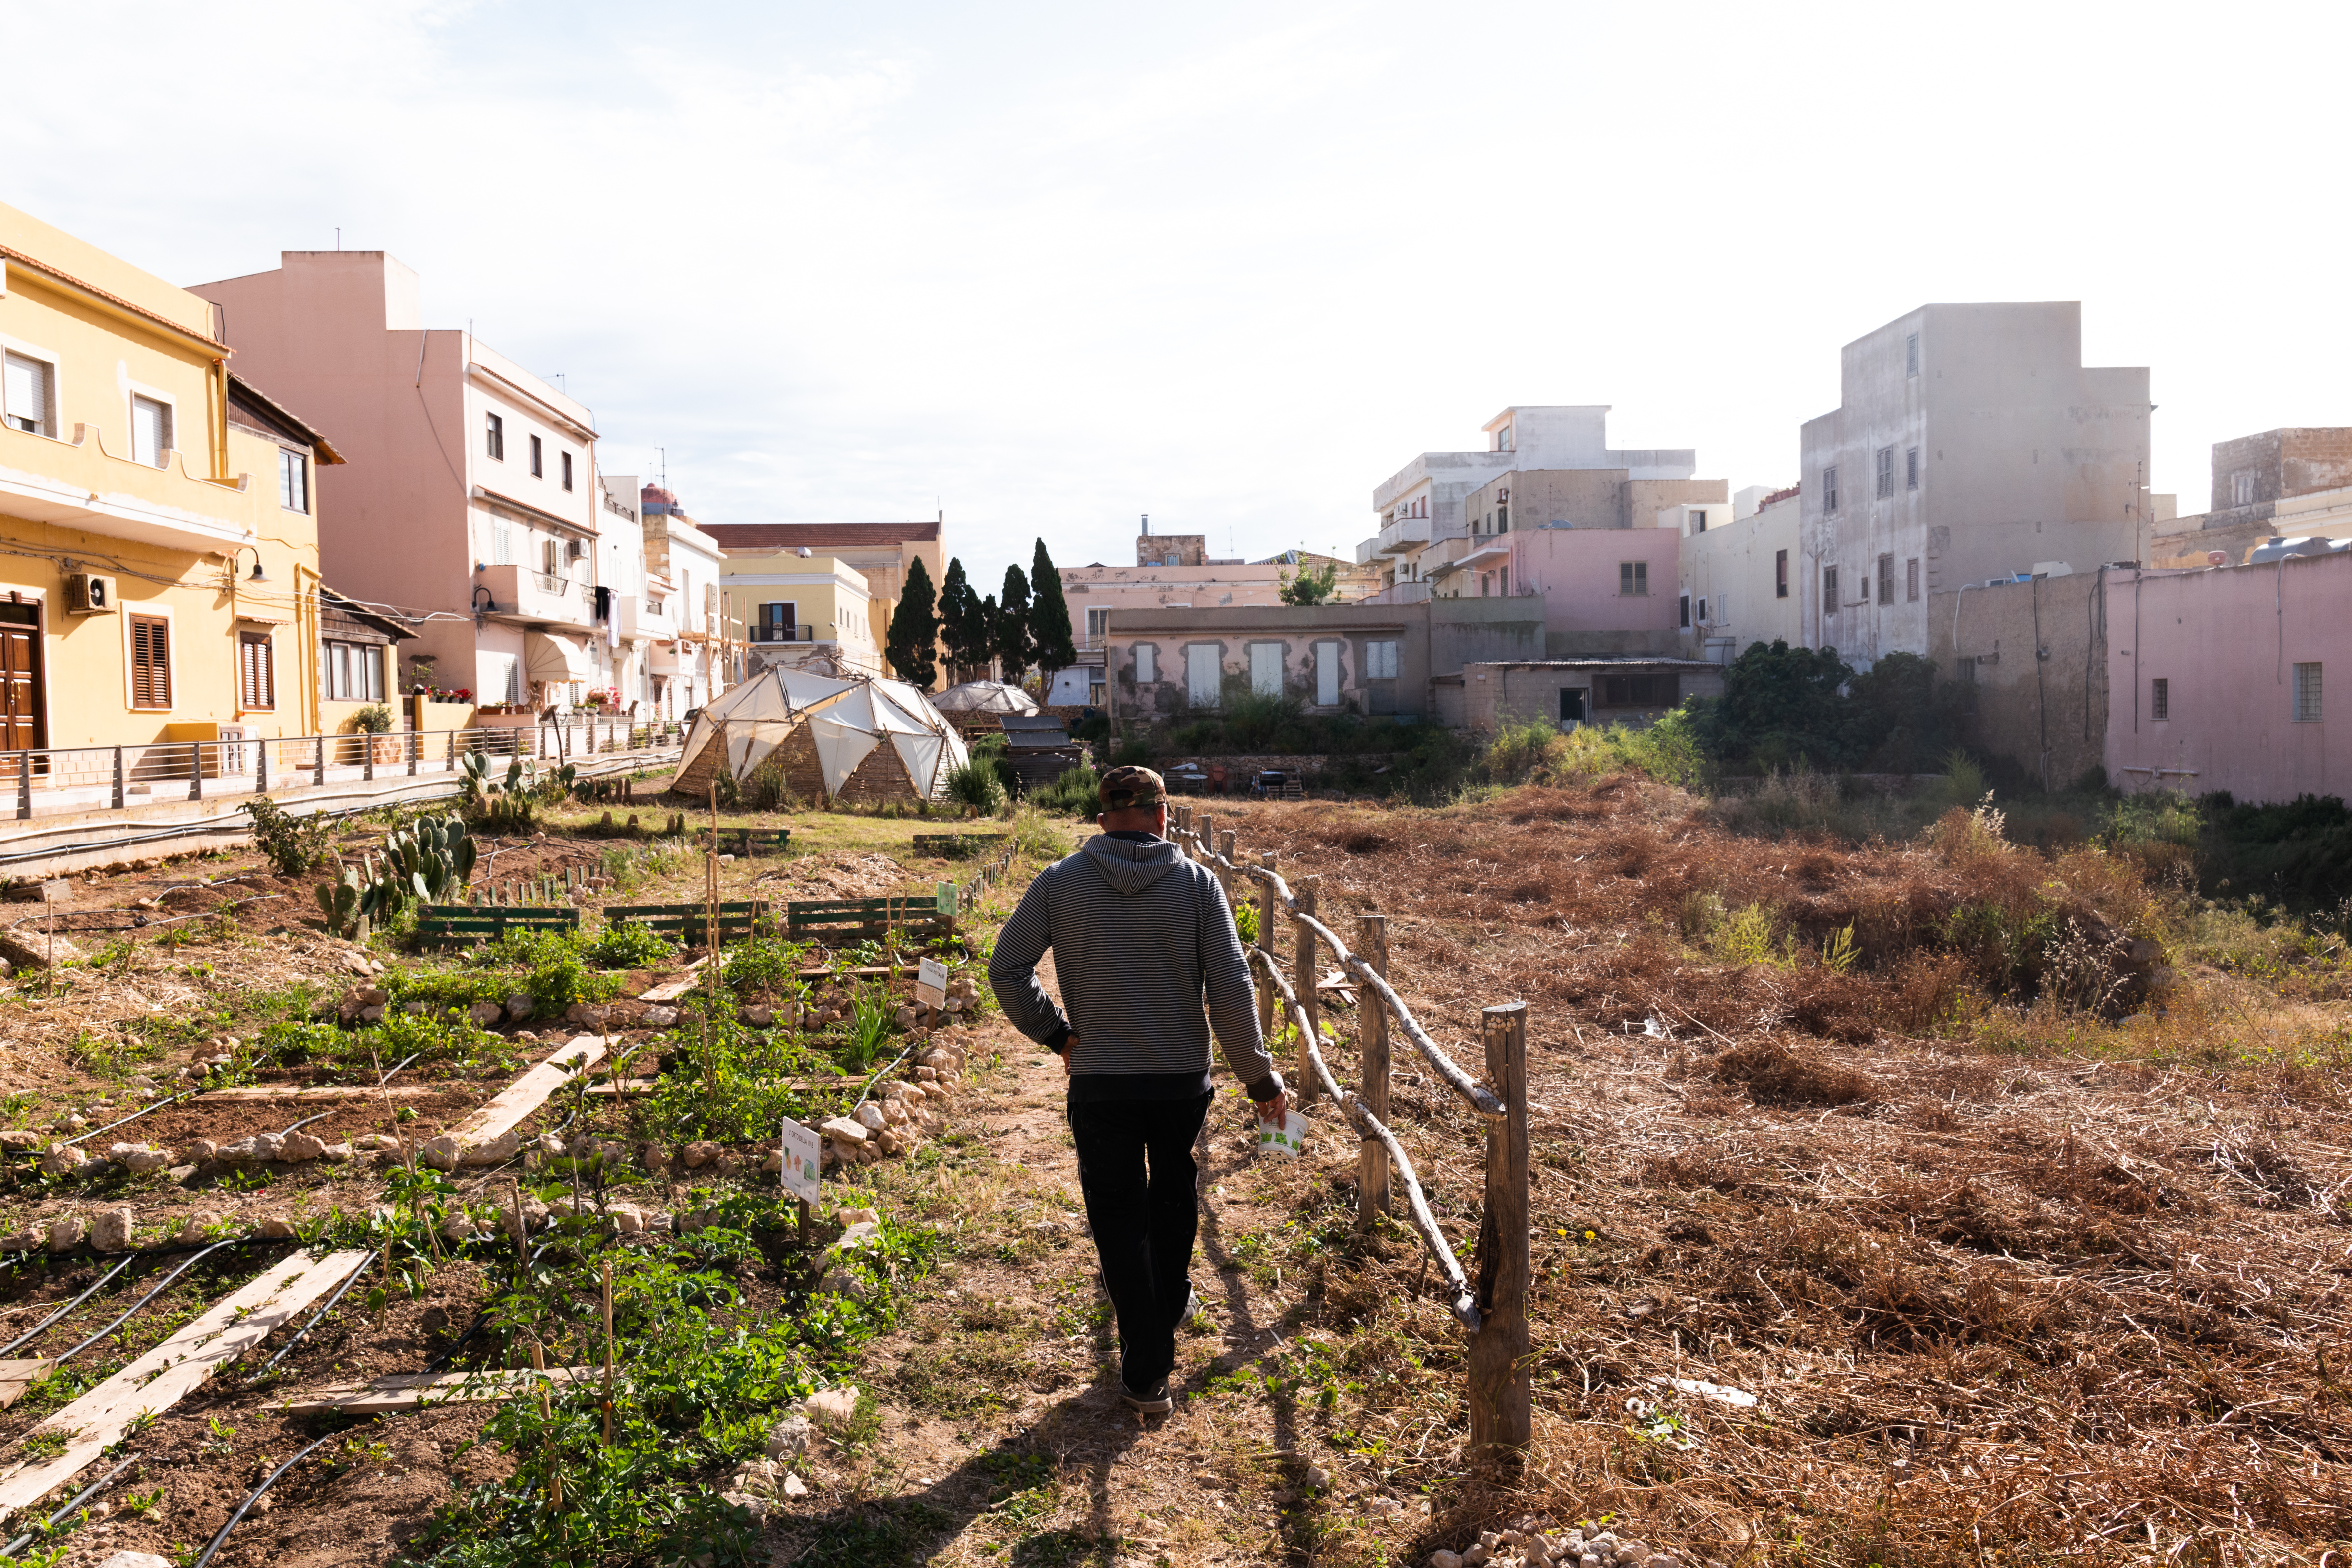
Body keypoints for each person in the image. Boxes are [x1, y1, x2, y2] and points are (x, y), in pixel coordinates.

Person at [989, 764, 1288, 1413]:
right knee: (1175, 1191)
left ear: (1102, 819)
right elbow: (1233, 992)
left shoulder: (1059, 883)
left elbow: (1006, 967)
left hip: (1101, 1084)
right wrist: (1261, 1078)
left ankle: (1147, 1365)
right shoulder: (1198, 886)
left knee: (1119, 1218)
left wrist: (1057, 1034)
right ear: (1161, 815)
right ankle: (1167, 1310)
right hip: (1180, 1082)